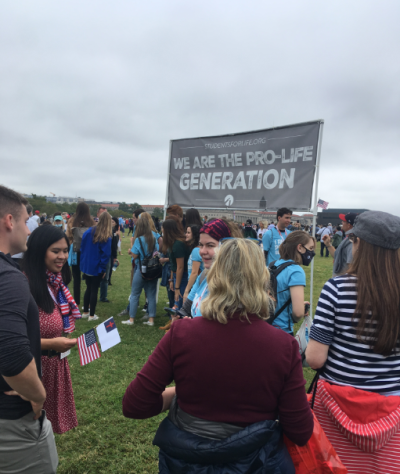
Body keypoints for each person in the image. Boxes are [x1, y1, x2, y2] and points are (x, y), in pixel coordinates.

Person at [123, 239, 313, 473]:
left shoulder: (182, 333)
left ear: (215, 277)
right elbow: (300, 430)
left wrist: (181, 394)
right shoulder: (283, 346)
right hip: (255, 462)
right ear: (264, 281)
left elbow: (135, 405)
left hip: (184, 462)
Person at [306, 211, 400, 473]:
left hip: (336, 405)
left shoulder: (336, 289)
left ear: (358, 243)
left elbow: (315, 359)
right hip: (393, 407)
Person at [0, 185, 58, 473]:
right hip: (11, 421)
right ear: (9, 222)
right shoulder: (9, 278)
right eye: (25, 221)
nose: (28, 230)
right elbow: (11, 356)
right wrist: (38, 395)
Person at [22, 226, 79, 434]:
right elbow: (13, 340)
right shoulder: (23, 285)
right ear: (39, 251)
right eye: (56, 251)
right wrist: (50, 344)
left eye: (65, 250)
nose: (62, 256)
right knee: (30, 431)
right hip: (33, 371)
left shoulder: (55, 282)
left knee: (45, 431)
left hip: (55, 365)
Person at [181, 218, 243, 318]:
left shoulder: (238, 284)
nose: (202, 251)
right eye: (201, 245)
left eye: (210, 245)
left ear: (227, 246)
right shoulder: (204, 275)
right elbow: (186, 309)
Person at [269, 231, 315, 335]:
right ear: (300, 248)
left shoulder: (273, 264)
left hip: (267, 326)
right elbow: (298, 313)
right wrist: (299, 309)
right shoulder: (296, 271)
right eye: (311, 248)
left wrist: (293, 304)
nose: (312, 253)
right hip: (283, 330)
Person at [122, 215, 159, 326]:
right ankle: (151, 319)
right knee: (151, 295)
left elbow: (135, 256)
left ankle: (131, 319)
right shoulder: (153, 238)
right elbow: (156, 252)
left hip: (141, 269)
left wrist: (130, 251)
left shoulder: (138, 240)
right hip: (152, 269)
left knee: (135, 294)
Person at [80, 212, 112, 321]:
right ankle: (92, 315)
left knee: (88, 288)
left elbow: (82, 247)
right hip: (96, 266)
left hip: (86, 265)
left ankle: (85, 312)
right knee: (94, 290)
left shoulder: (88, 231)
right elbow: (106, 254)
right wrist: (103, 269)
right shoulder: (106, 236)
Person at [66, 202, 95, 305]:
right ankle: (88, 300)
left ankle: (76, 301)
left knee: (76, 277)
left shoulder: (72, 221)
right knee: (88, 277)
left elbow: (68, 236)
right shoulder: (91, 221)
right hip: (88, 252)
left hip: (75, 251)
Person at [162, 218, 191, 310]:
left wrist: (177, 287)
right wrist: (171, 279)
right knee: (177, 302)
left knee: (179, 303)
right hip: (176, 275)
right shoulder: (173, 242)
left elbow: (180, 267)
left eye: (163, 228)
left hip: (182, 277)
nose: (161, 230)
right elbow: (173, 263)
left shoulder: (178, 244)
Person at [322, 212, 357, 276]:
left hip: (344, 282)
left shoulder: (353, 241)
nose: (342, 223)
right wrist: (328, 244)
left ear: (349, 225)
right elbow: (337, 255)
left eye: (343, 221)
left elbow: (352, 266)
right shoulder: (348, 237)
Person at [183, 224, 203, 302]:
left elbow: (194, 273)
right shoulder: (198, 249)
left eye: (188, 233)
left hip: (196, 286)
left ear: (194, 235)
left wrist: (186, 291)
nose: (186, 235)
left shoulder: (196, 250)